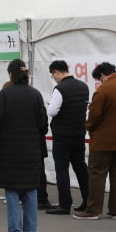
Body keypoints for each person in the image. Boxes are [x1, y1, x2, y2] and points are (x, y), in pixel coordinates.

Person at [0, 59, 47, 232]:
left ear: (11, 74)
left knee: (12, 190)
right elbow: (43, 125)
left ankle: (14, 231)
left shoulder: (5, 94)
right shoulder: (36, 95)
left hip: (8, 150)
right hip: (31, 150)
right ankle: (30, 231)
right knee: (31, 189)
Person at [74, 62, 116, 220]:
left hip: (103, 140)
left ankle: (93, 210)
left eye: (99, 79)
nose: (100, 82)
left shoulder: (103, 90)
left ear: (102, 75)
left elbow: (94, 115)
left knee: (96, 174)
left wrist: (89, 127)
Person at [45, 60, 89, 215]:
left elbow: (52, 111)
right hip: (79, 134)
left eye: (53, 75)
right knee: (81, 168)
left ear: (57, 72)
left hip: (62, 135)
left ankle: (65, 204)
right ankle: (87, 201)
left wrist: (49, 104)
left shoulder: (60, 89)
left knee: (62, 169)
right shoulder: (84, 86)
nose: (54, 78)